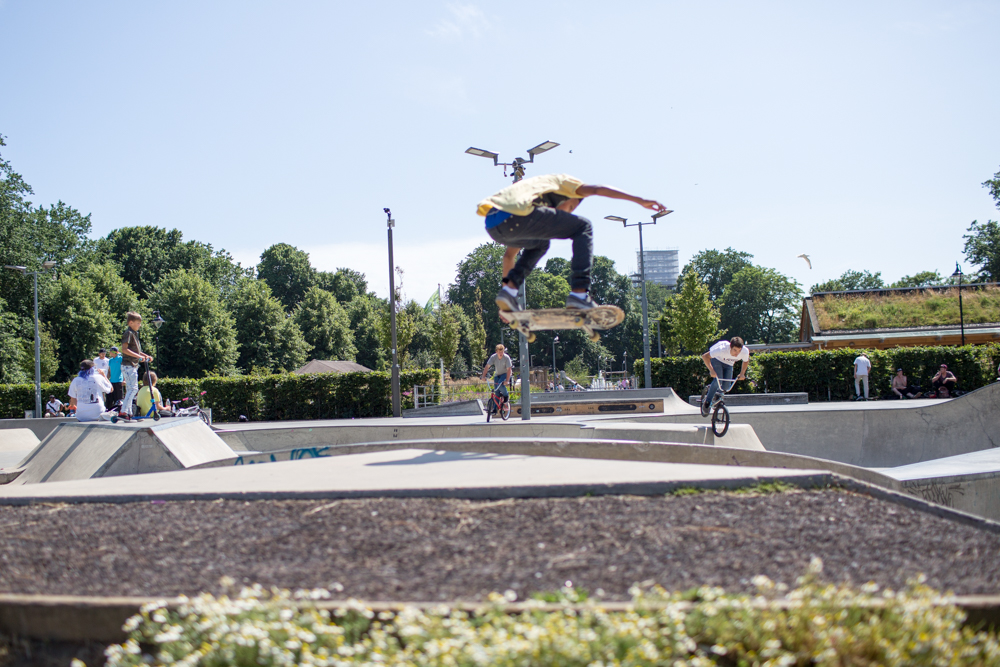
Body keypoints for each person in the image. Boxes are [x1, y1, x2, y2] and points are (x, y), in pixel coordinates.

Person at [476, 174, 666, 312]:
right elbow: (597, 189)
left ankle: (509, 291)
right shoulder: (565, 183)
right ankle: (579, 293)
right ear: (569, 197)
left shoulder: (533, 193)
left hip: (495, 224)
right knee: (583, 226)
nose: (569, 213)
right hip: (517, 215)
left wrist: (505, 295)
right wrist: (640, 200)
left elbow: (509, 256)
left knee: (541, 244)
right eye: (572, 207)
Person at [701, 337, 750, 409]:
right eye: (735, 350)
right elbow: (705, 356)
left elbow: (746, 361)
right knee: (718, 380)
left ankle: (717, 396)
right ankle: (708, 401)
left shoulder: (744, 351)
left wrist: (742, 373)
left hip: (729, 364)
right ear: (730, 347)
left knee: (726, 387)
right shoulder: (721, 349)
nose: (737, 353)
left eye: (739, 351)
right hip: (717, 360)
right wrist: (711, 370)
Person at [120, 312, 153, 418]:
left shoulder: (134, 333)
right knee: (133, 389)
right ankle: (123, 411)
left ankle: (129, 412)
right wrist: (139, 357)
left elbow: (137, 351)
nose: (140, 325)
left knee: (131, 389)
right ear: (131, 322)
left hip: (132, 365)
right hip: (128, 364)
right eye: (138, 323)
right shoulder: (128, 333)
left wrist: (145, 356)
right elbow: (124, 349)